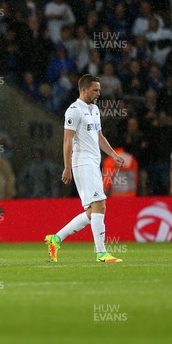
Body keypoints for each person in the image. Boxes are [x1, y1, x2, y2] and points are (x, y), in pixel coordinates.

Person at [45, 74, 125, 263]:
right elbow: (67, 139)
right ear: (84, 90)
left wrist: (113, 155)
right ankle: (101, 252)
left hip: (93, 163)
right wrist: (67, 167)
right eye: (95, 90)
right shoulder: (74, 110)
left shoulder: (94, 109)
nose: (98, 93)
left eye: (99, 89)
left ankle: (56, 238)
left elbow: (99, 137)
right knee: (100, 205)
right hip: (82, 163)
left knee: (93, 211)